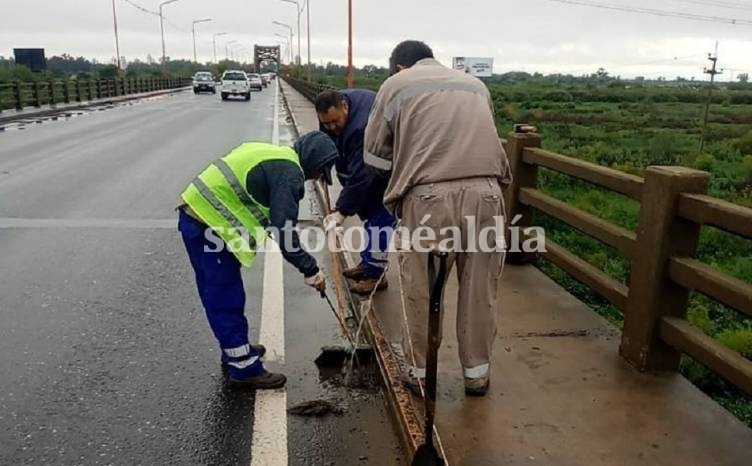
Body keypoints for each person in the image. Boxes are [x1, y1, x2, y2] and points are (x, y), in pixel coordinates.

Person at [364, 41, 512, 396]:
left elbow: (375, 159)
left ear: (398, 66)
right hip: (487, 194)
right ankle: (477, 375)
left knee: (422, 289)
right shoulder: (475, 85)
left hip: (428, 199)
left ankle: (419, 373)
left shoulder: (396, 85)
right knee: (479, 290)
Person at [177, 131, 337, 389]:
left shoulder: (275, 154)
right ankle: (244, 369)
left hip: (204, 219)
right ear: (312, 161)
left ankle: (235, 349)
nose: (315, 179)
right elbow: (283, 233)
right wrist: (311, 270)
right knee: (225, 297)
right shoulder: (289, 173)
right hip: (206, 224)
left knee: (227, 294)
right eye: (319, 173)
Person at [315, 89, 396, 295]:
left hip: (387, 175)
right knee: (369, 219)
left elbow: (362, 174)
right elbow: (326, 143)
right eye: (327, 123)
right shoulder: (329, 112)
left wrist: (341, 211)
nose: (332, 127)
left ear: (345, 107)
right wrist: (323, 167)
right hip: (365, 174)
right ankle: (367, 263)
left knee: (380, 224)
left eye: (335, 121)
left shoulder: (361, 127)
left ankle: (376, 276)